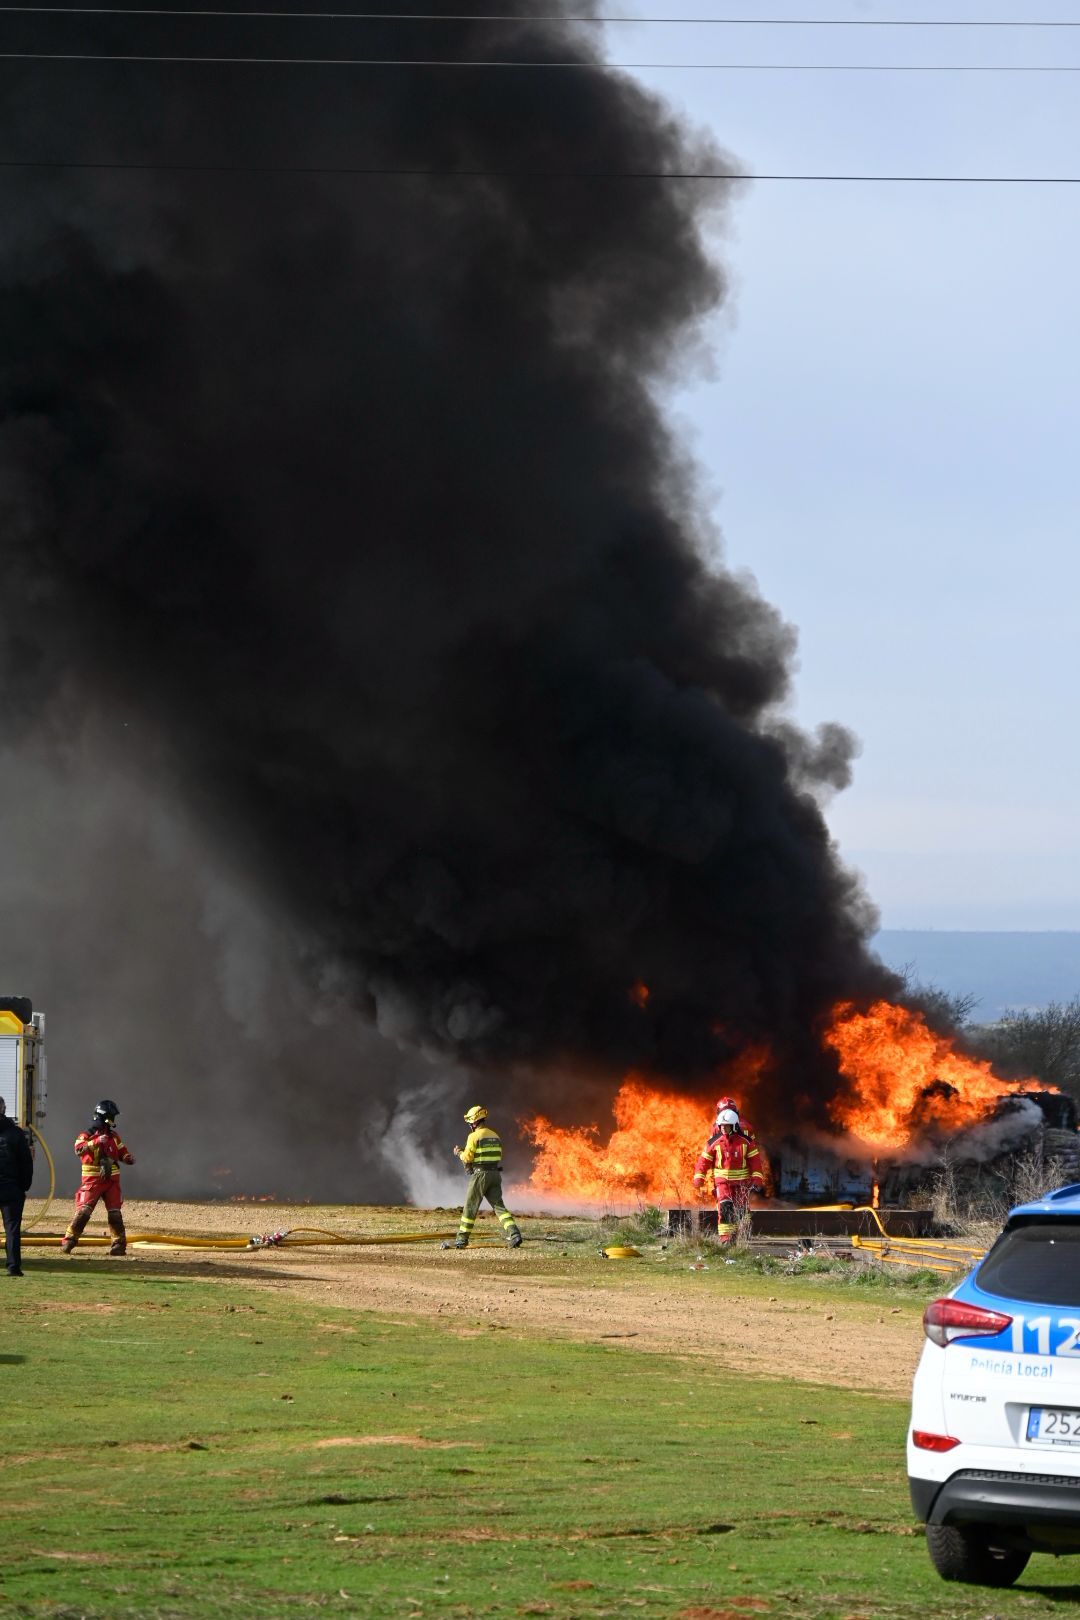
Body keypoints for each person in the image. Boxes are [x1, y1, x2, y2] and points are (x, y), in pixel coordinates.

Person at [61, 1100, 135, 1256]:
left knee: (115, 1213)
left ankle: (119, 1245)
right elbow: (78, 1149)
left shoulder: (113, 1136)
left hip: (112, 1181)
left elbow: (122, 1151)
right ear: (105, 1116)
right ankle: (69, 1241)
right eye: (112, 1116)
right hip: (92, 1180)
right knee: (83, 1212)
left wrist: (127, 1157)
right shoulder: (86, 1135)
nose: (114, 1120)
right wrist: (94, 1142)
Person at [445, 1105, 522, 1250]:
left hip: (480, 1176)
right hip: (495, 1174)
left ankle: (461, 1240)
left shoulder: (473, 1136)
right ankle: (515, 1234)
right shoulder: (495, 1135)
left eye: (470, 1123)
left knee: (470, 1207)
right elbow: (498, 1155)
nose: (470, 1126)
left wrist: (459, 1153)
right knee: (499, 1207)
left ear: (474, 1122)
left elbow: (468, 1158)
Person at [693, 1107, 767, 1245]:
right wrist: (699, 1177)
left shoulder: (746, 1142)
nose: (722, 1129)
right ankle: (726, 1239)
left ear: (734, 1126)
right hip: (723, 1183)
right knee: (725, 1207)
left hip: (741, 1183)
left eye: (726, 1126)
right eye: (721, 1126)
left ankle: (741, 1235)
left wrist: (757, 1179)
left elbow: (755, 1162)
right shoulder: (713, 1142)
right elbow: (703, 1161)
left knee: (741, 1210)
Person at [0, 1097, 34, 1277]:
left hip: (11, 1187)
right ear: (4, 1109)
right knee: (12, 1229)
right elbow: (26, 1164)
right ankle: (13, 1266)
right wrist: (23, 1187)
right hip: (11, 1189)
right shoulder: (16, 1134)